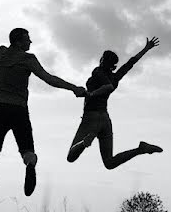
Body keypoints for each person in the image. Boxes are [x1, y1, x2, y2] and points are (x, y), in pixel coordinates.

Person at [0, 23, 85, 196]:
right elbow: (49, 79)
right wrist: (73, 88)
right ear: (19, 42)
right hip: (19, 111)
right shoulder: (28, 59)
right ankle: (30, 166)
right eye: (27, 38)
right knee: (28, 152)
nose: (30, 41)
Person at [67, 37, 162, 168]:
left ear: (102, 60)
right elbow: (130, 64)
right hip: (105, 119)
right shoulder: (115, 77)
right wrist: (146, 49)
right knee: (109, 163)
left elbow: (108, 87)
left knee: (71, 157)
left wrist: (91, 93)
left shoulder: (98, 71)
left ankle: (84, 143)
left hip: (91, 118)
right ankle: (141, 149)